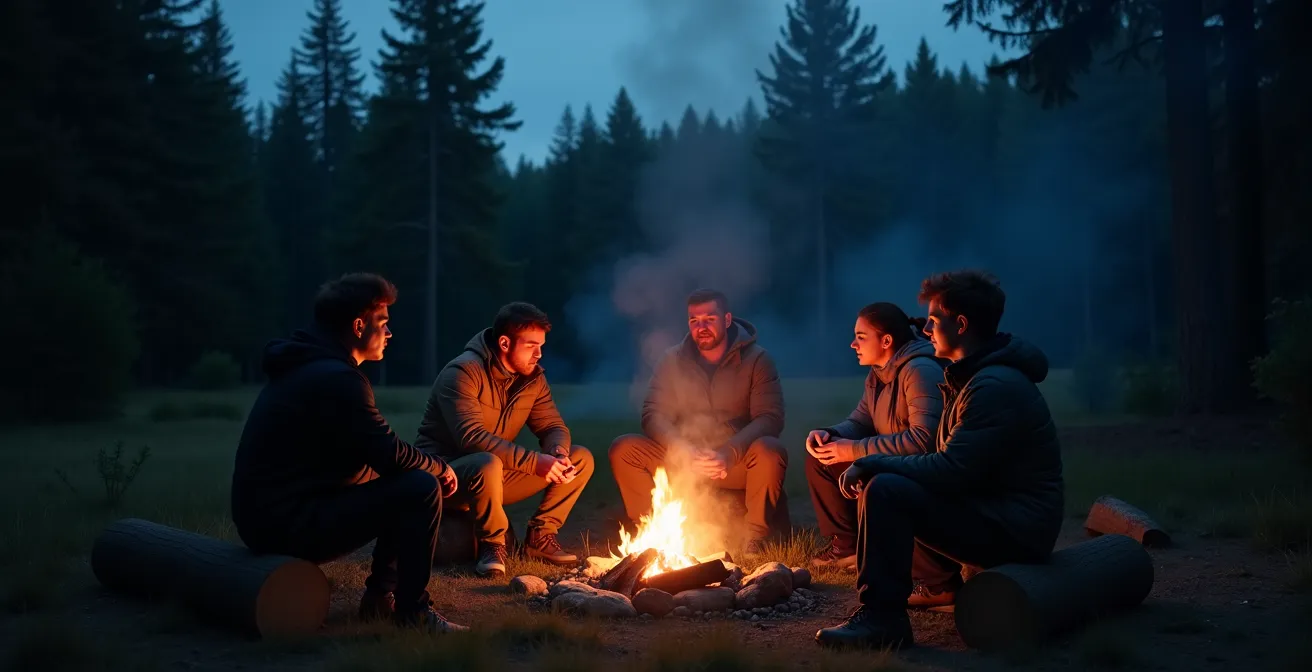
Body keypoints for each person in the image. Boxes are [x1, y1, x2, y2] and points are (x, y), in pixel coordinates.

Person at [815, 270, 1064, 649]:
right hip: (996, 513)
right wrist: (854, 449)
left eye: (933, 321)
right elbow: (946, 460)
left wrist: (870, 461)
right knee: (889, 482)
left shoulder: (993, 386)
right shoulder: (971, 377)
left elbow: (951, 469)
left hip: (1017, 531)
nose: (925, 329)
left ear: (960, 325)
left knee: (885, 489)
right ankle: (928, 588)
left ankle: (882, 618)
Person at [230, 273, 466, 634]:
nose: (389, 333)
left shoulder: (309, 367)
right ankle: (412, 612)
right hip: (285, 524)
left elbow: (377, 449)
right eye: (383, 323)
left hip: (266, 517)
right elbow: (388, 453)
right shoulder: (337, 379)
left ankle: (380, 600)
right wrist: (438, 466)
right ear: (359, 326)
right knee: (418, 487)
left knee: (405, 481)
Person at [415, 302, 595, 578]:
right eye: (531, 345)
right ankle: (492, 544)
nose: (539, 353)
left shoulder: (531, 379)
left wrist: (558, 453)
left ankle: (541, 535)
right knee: (486, 463)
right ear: (504, 342)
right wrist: (536, 463)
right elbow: (471, 438)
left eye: (542, 345)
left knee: (579, 458)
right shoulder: (463, 373)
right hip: (447, 476)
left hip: (494, 473)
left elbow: (552, 426)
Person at [609, 288, 789, 554]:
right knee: (625, 449)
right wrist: (682, 449)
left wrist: (730, 452)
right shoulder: (672, 360)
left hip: (733, 463)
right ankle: (651, 532)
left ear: (727, 320)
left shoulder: (757, 360)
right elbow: (653, 414)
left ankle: (755, 538)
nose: (701, 327)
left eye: (709, 319)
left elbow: (770, 418)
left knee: (770, 452)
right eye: (694, 320)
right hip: (684, 459)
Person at [804, 302, 946, 578]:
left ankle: (926, 573)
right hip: (889, 459)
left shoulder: (919, 371)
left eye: (860, 337)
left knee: (856, 465)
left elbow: (924, 441)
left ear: (886, 341)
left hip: (920, 471)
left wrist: (855, 451)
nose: (853, 345)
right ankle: (846, 548)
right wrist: (830, 434)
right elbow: (860, 421)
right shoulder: (878, 374)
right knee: (821, 456)